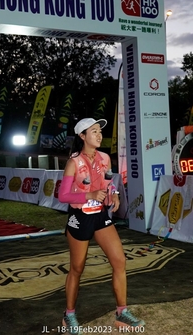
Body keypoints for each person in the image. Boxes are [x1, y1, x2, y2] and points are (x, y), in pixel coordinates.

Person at [57, 118, 145, 333]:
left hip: (100, 216)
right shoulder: (73, 162)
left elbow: (109, 183)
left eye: (99, 131)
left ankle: (122, 313)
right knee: (77, 268)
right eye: (94, 131)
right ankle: (69, 315)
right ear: (82, 136)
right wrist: (89, 195)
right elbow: (62, 195)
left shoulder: (105, 158)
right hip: (80, 217)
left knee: (119, 261)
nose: (99, 135)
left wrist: (114, 194)